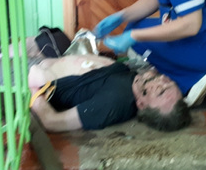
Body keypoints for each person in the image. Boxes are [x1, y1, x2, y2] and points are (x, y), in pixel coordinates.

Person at [28, 54, 191, 133]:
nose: (163, 80)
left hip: (28, 77)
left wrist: (33, 91)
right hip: (43, 64)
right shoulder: (134, 79)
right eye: (170, 83)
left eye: (160, 91)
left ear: (142, 104)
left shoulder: (113, 103)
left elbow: (51, 121)